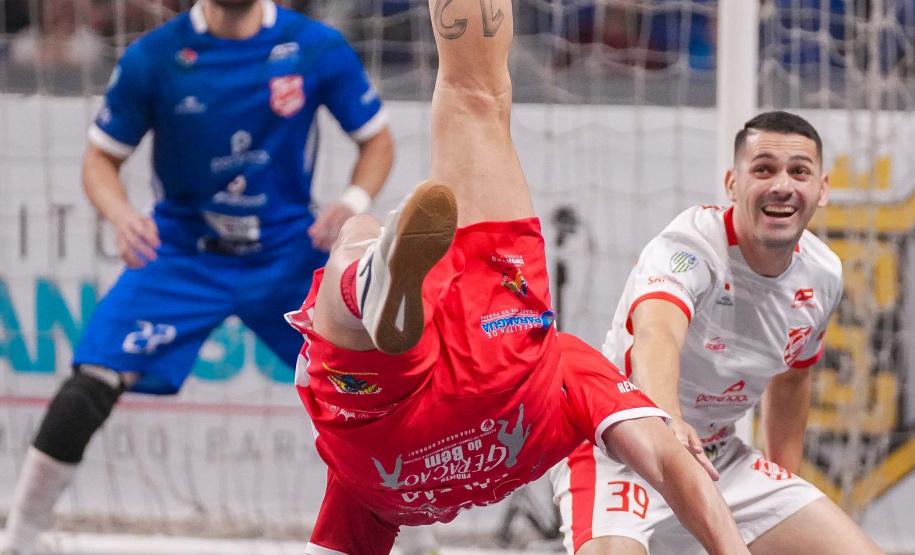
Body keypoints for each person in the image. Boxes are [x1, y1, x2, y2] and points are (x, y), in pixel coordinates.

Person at [286, 1, 752, 554]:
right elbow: (663, 458)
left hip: (452, 376)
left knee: (465, 108)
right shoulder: (367, 497)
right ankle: (369, 286)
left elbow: (667, 455)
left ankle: (367, 282)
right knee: (473, 99)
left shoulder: (575, 368)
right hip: (480, 406)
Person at [2, 1, 393, 552]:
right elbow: (99, 161)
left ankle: (411, 532)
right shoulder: (155, 57)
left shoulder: (315, 47)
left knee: (379, 390)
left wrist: (351, 201)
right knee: (89, 384)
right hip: (183, 253)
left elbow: (377, 140)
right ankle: (17, 540)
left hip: (286, 252)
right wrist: (122, 216)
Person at [550, 111, 884, 555]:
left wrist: (784, 489)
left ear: (822, 189)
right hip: (619, 450)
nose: (782, 185)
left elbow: (793, 379)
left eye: (799, 171)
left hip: (719, 458)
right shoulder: (689, 246)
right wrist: (668, 419)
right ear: (732, 183)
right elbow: (657, 334)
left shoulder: (824, 275)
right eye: (763, 169)